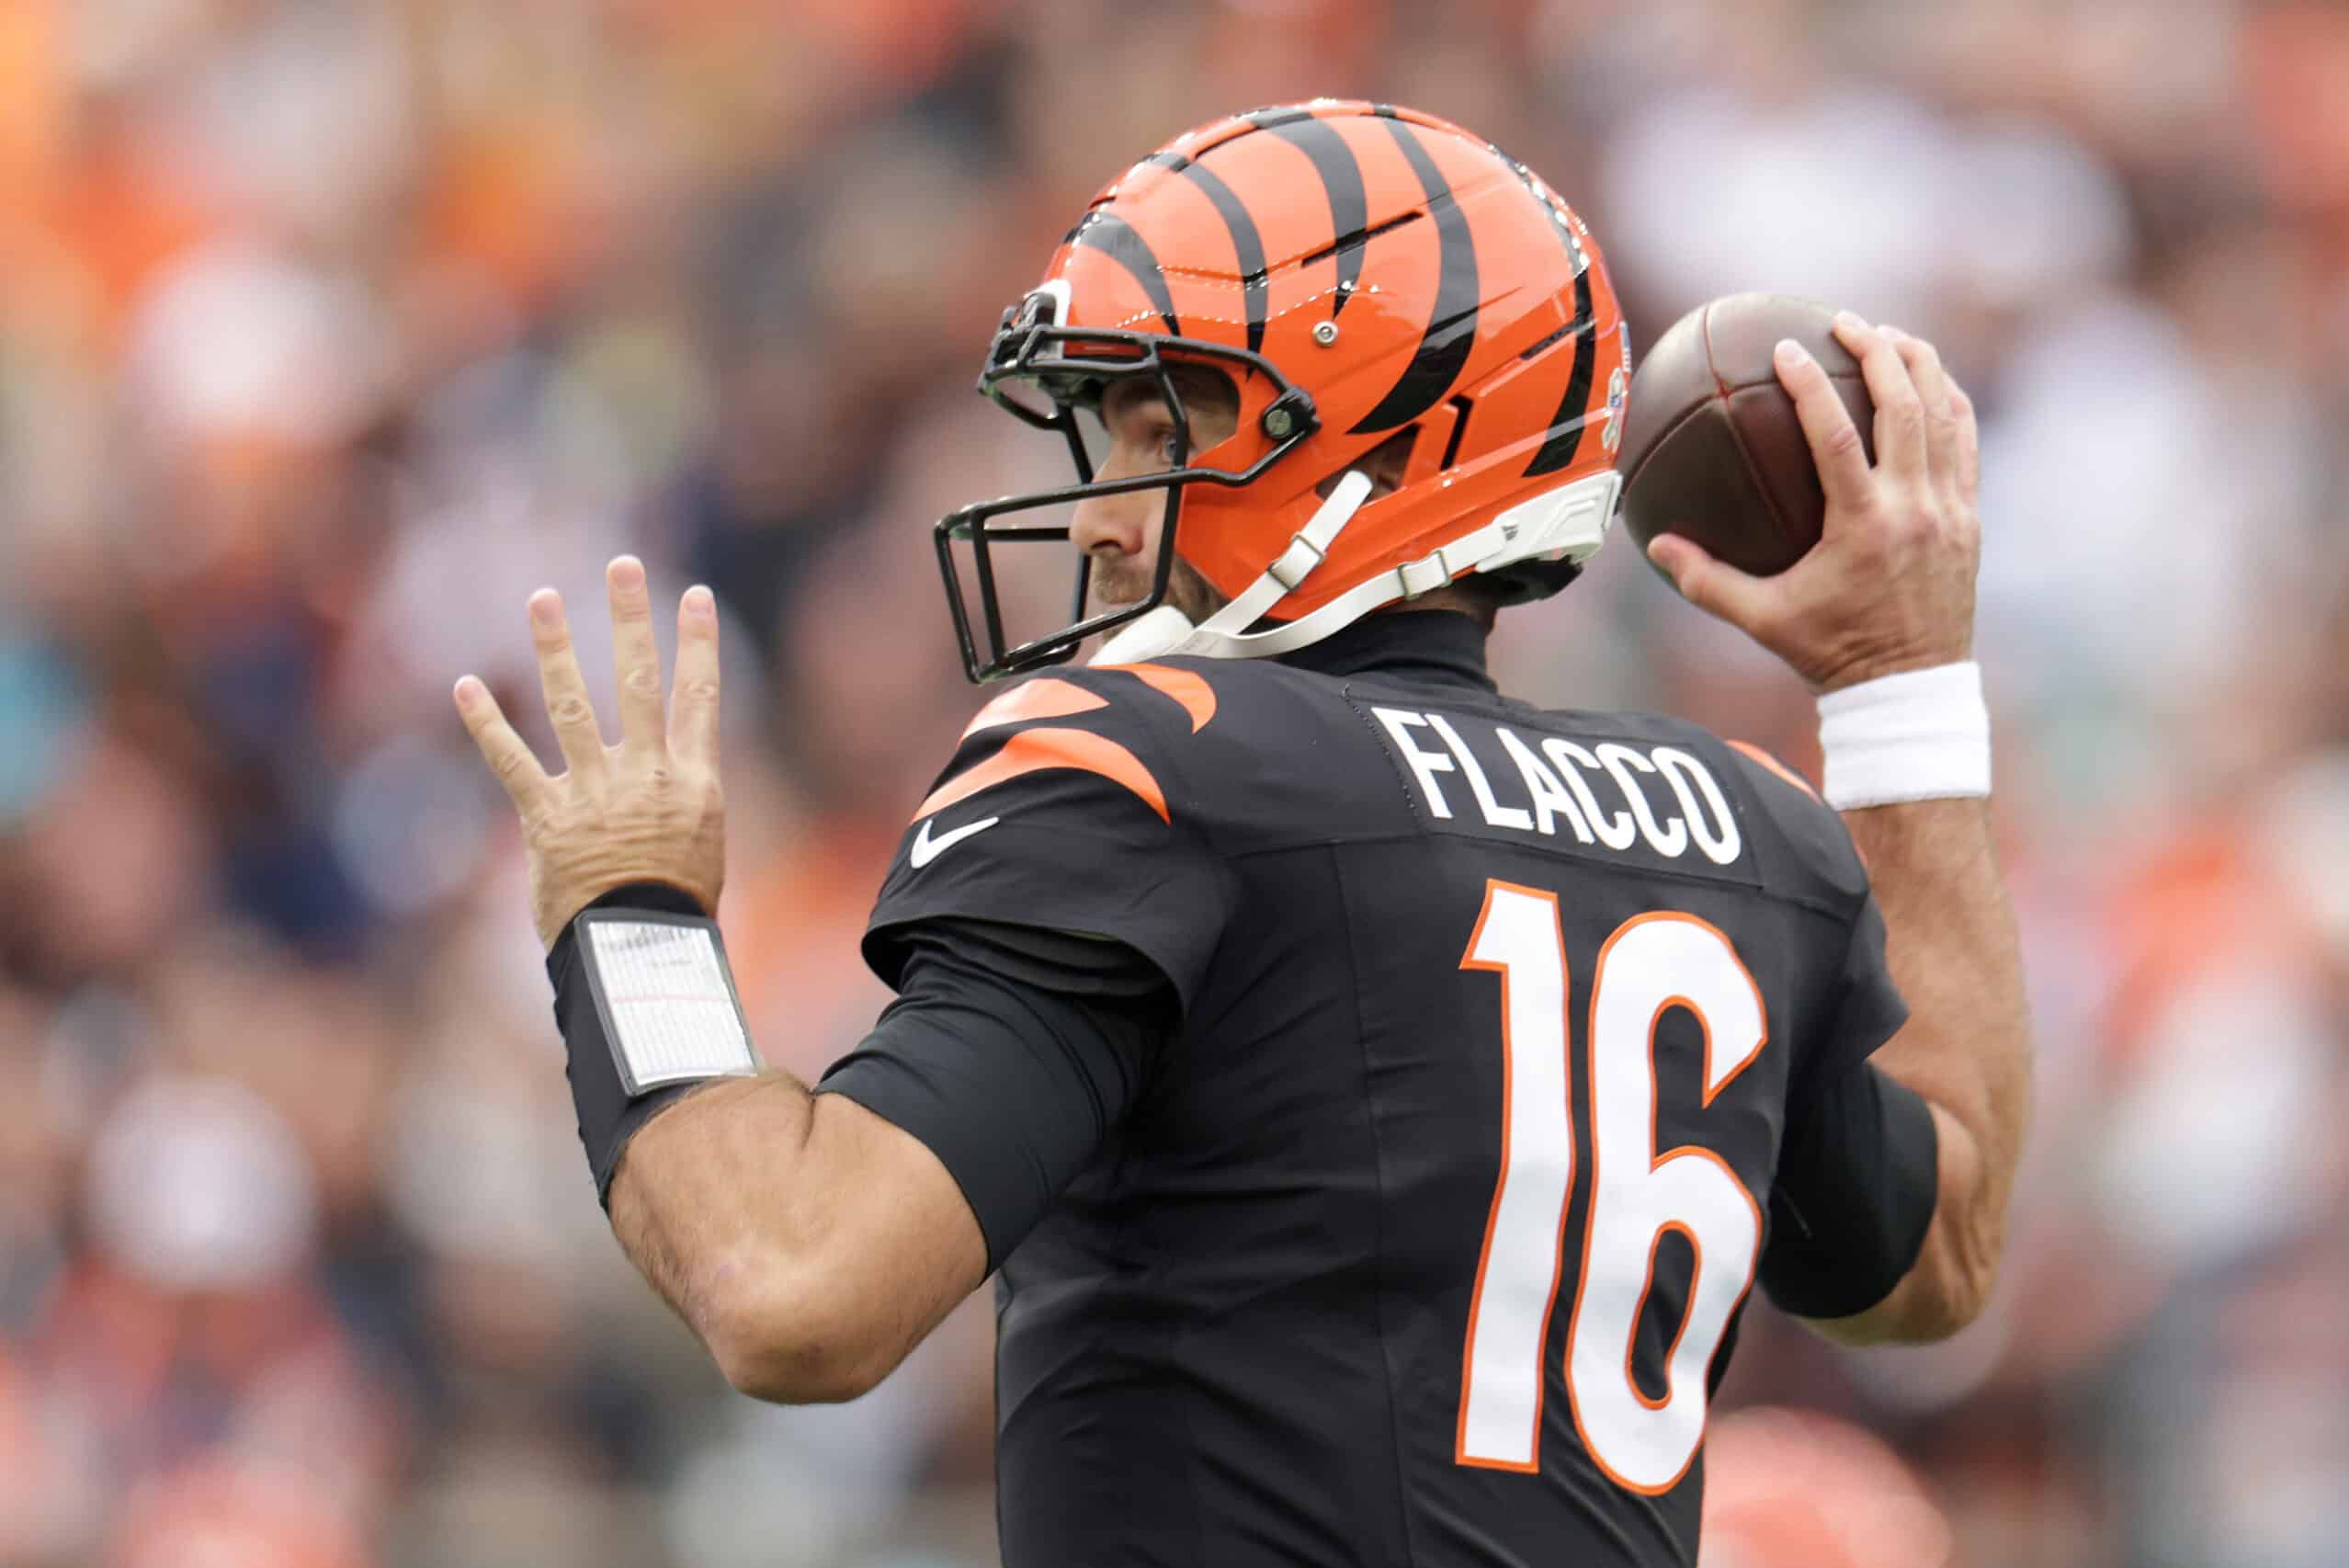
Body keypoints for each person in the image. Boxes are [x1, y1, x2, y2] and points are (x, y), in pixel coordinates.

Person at [454, 102, 2028, 1567]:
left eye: (1161, 429)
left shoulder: (1159, 762)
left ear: (1389, 434)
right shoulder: (1744, 828)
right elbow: (1935, 1256)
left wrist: (631, 911)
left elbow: (794, 1285)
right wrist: (1901, 689)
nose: (1099, 509)